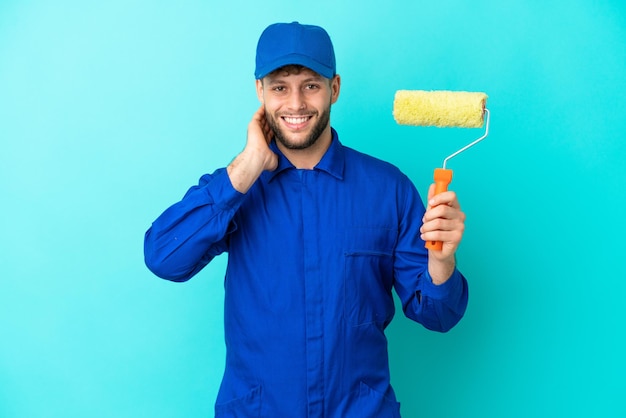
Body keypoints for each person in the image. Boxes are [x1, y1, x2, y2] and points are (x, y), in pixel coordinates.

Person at [144, 21, 468, 418]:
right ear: (259, 91)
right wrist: (245, 170)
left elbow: (439, 315)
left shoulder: (389, 189)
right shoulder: (236, 186)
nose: (295, 103)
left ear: (334, 88)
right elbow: (163, 256)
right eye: (280, 87)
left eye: (310, 85)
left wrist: (441, 260)